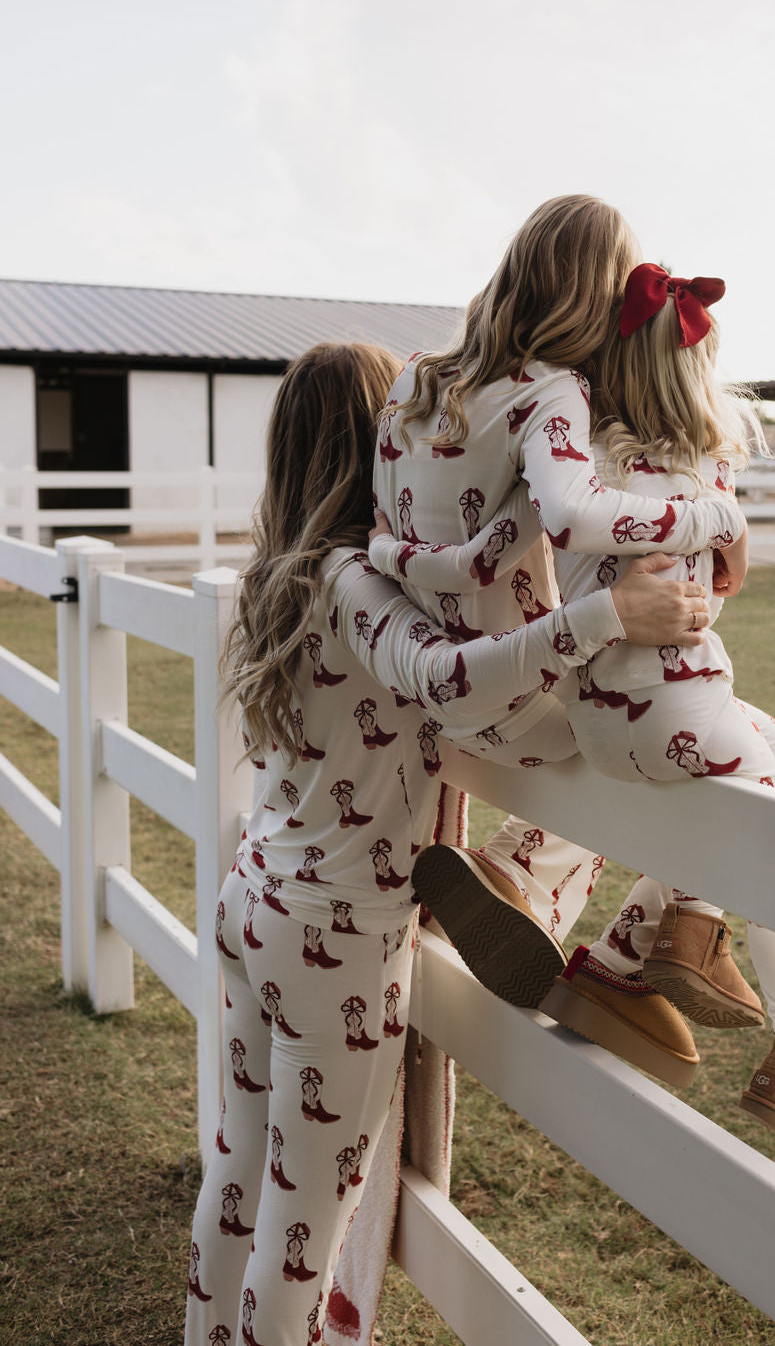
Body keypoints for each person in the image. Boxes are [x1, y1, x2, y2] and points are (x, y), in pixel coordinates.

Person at [183, 341, 710, 1346]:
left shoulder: (275, 576)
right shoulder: (353, 582)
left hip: (254, 904)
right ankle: (544, 890)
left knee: (240, 1173)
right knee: (305, 1218)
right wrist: (607, 613)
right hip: (334, 945)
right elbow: (452, 680)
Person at [371, 198, 775, 1179]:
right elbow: (572, 511)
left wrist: (420, 561)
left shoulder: (412, 379)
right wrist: (704, 512)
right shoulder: (554, 392)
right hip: (529, 679)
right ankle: (590, 906)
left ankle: (625, 942)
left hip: (426, 676)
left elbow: (408, 530)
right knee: (660, 751)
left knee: (743, 735)